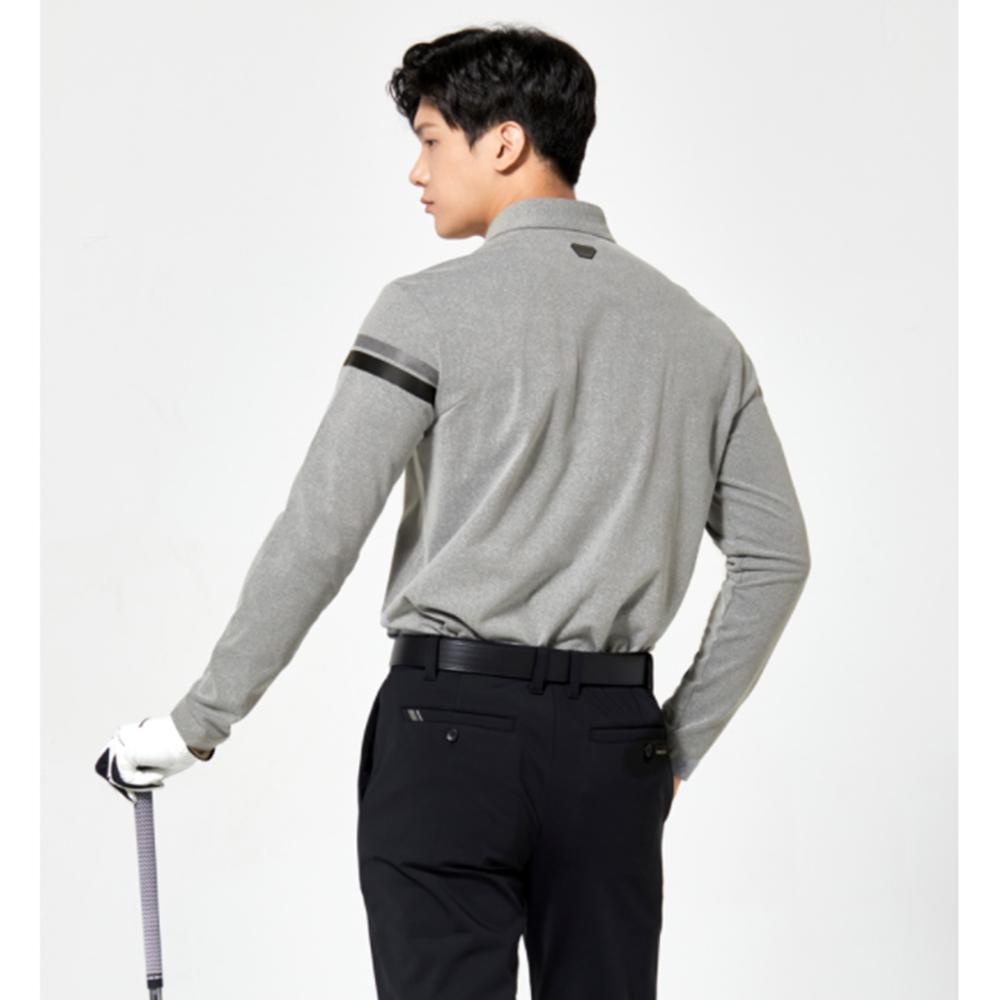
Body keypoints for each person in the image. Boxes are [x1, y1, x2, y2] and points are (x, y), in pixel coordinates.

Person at [96, 23, 810, 999]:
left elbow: (322, 530)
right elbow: (777, 556)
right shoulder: (704, 341)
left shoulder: (427, 309)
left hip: (448, 730)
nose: (416, 171)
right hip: (614, 744)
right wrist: (673, 744)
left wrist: (196, 724)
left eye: (431, 140)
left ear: (504, 141)